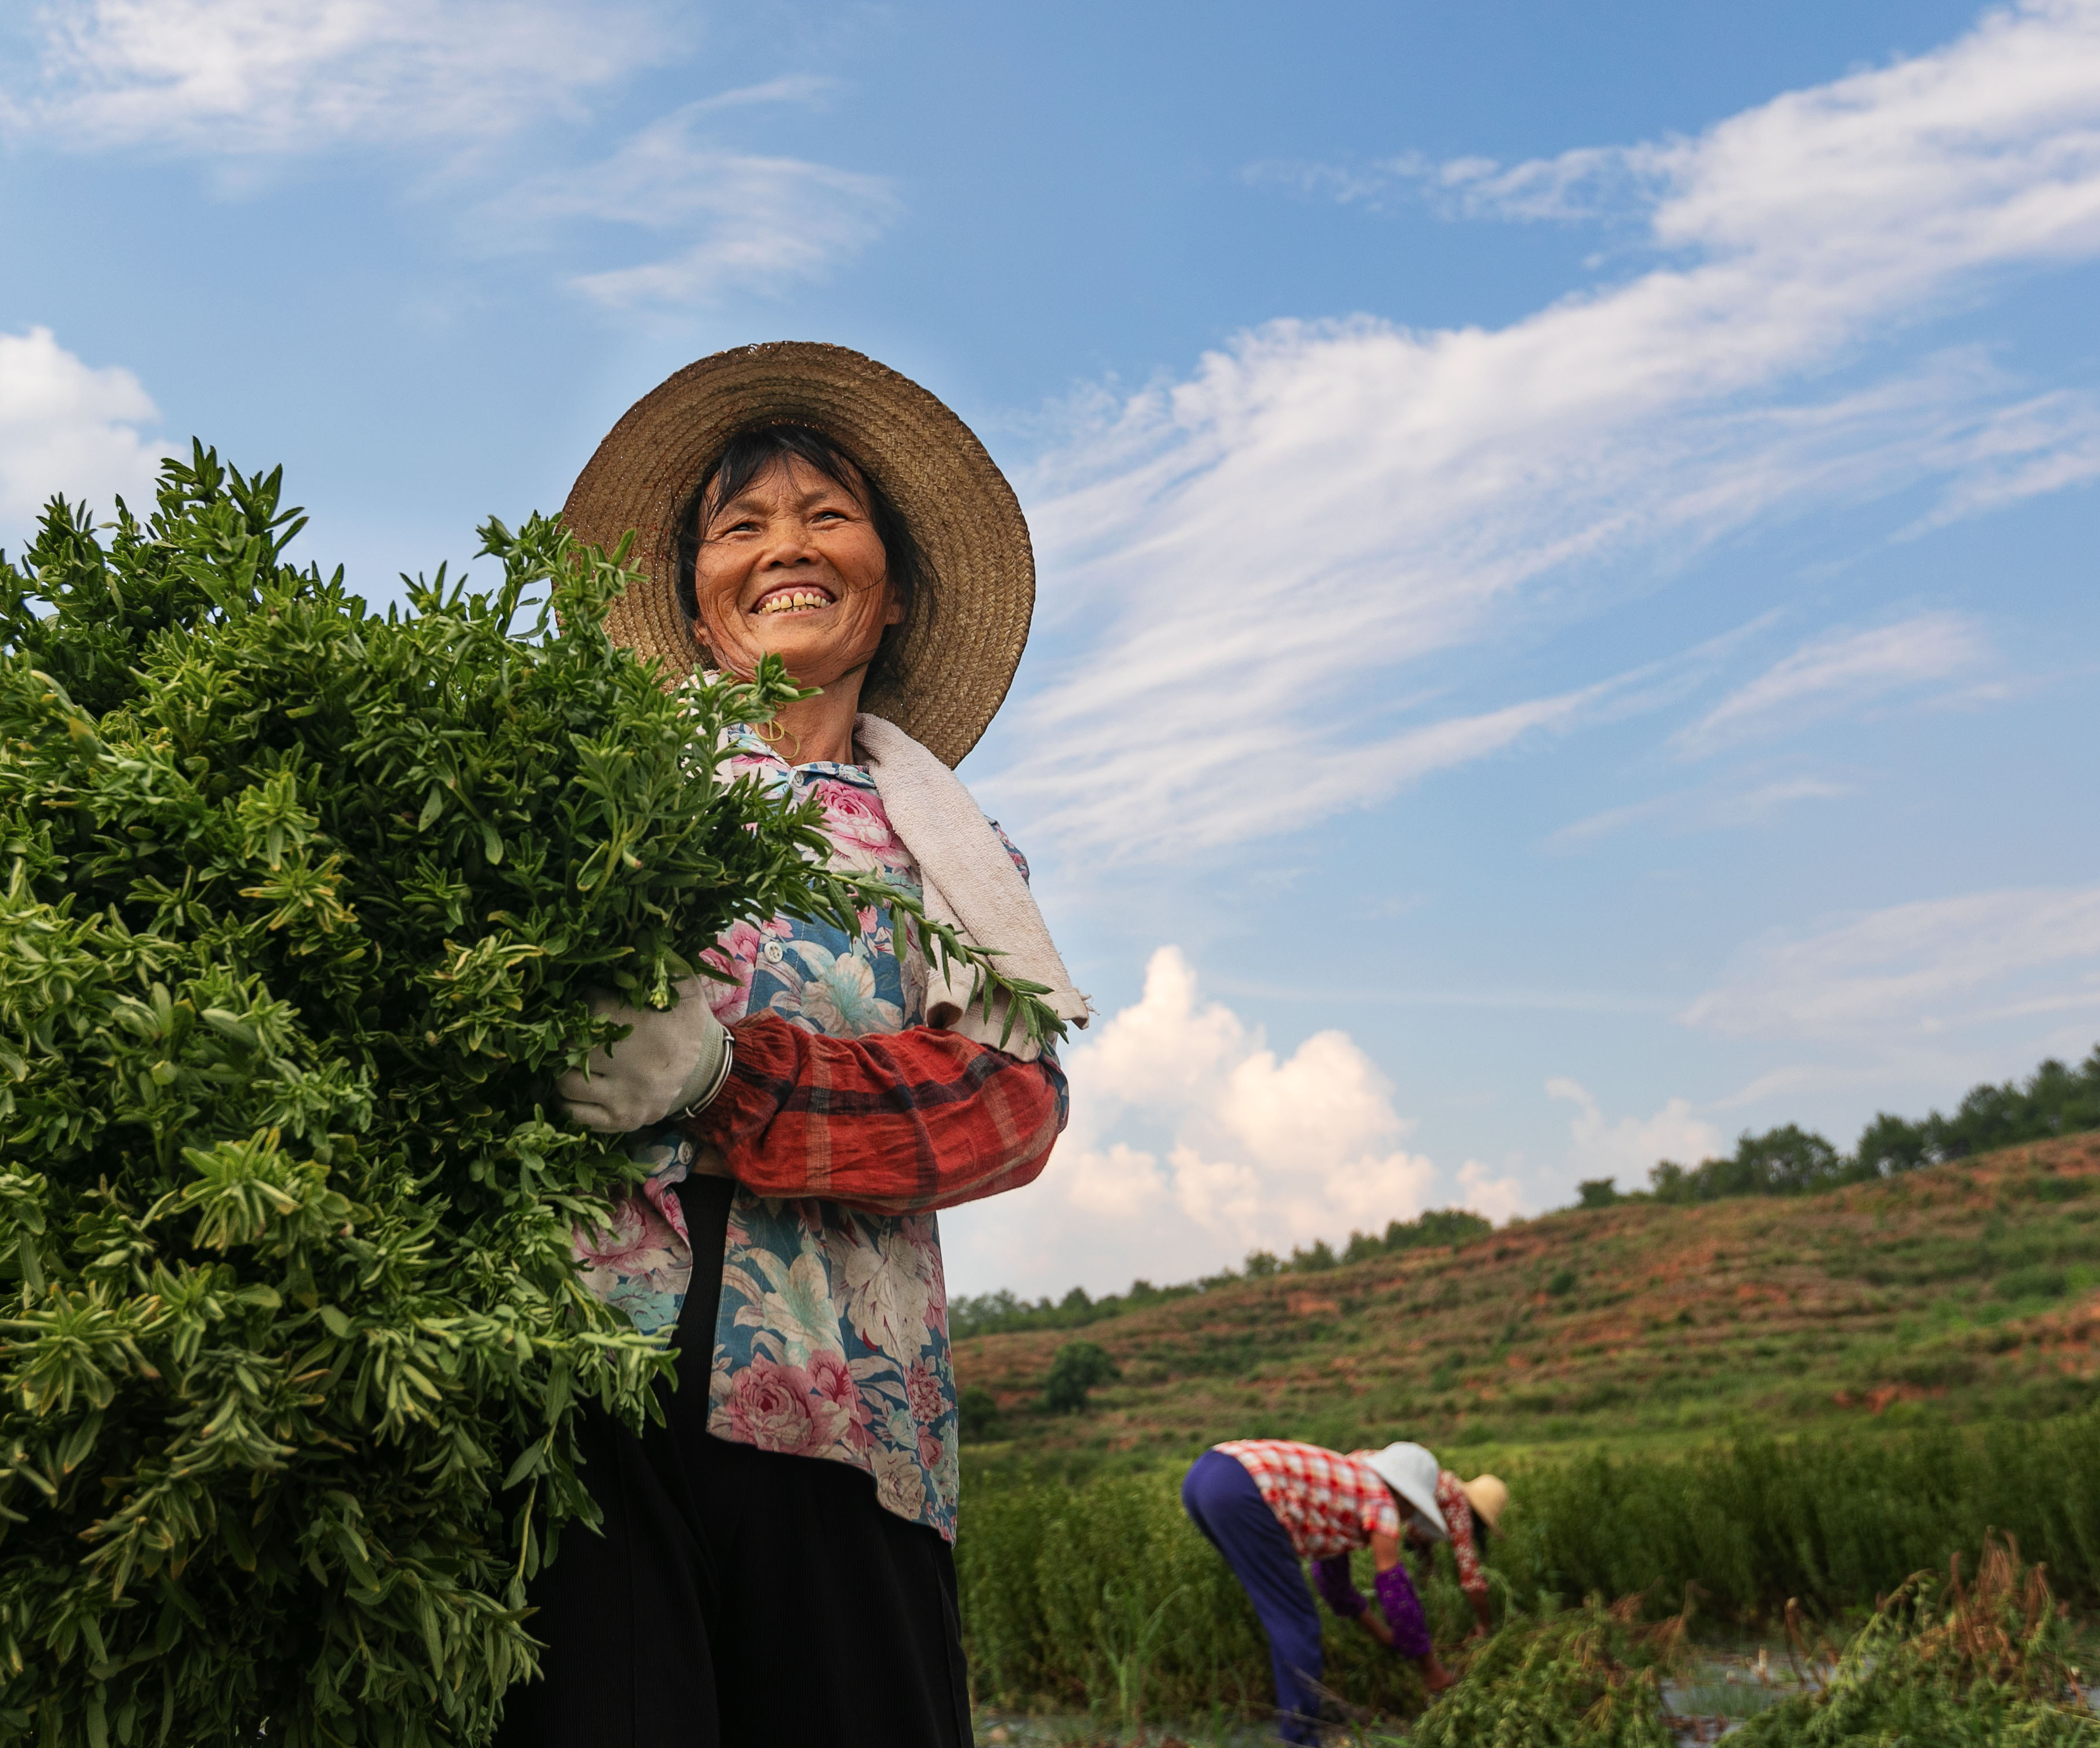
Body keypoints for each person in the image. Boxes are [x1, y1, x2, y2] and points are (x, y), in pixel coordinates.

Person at [496, 342, 1092, 1748]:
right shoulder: (590, 801)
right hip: (586, 1395)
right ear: (695, 605)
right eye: (740, 526)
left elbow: (1007, 1105)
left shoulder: (951, 855)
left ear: (887, 594)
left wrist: (722, 1079)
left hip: (839, 1404)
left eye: (828, 518)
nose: (785, 549)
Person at [1180, 1438, 1506, 1743]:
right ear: (1406, 1497)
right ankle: (1303, 1740)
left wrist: (1381, 1635)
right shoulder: (1383, 1501)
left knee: (1283, 1617)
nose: (1407, 1521)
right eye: (1412, 1511)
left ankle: (1305, 1710)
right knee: (1296, 1623)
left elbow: (1334, 1585)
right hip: (1241, 1486)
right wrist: (1431, 1669)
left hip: (1205, 1476)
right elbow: (1396, 1591)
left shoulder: (1353, 1487)